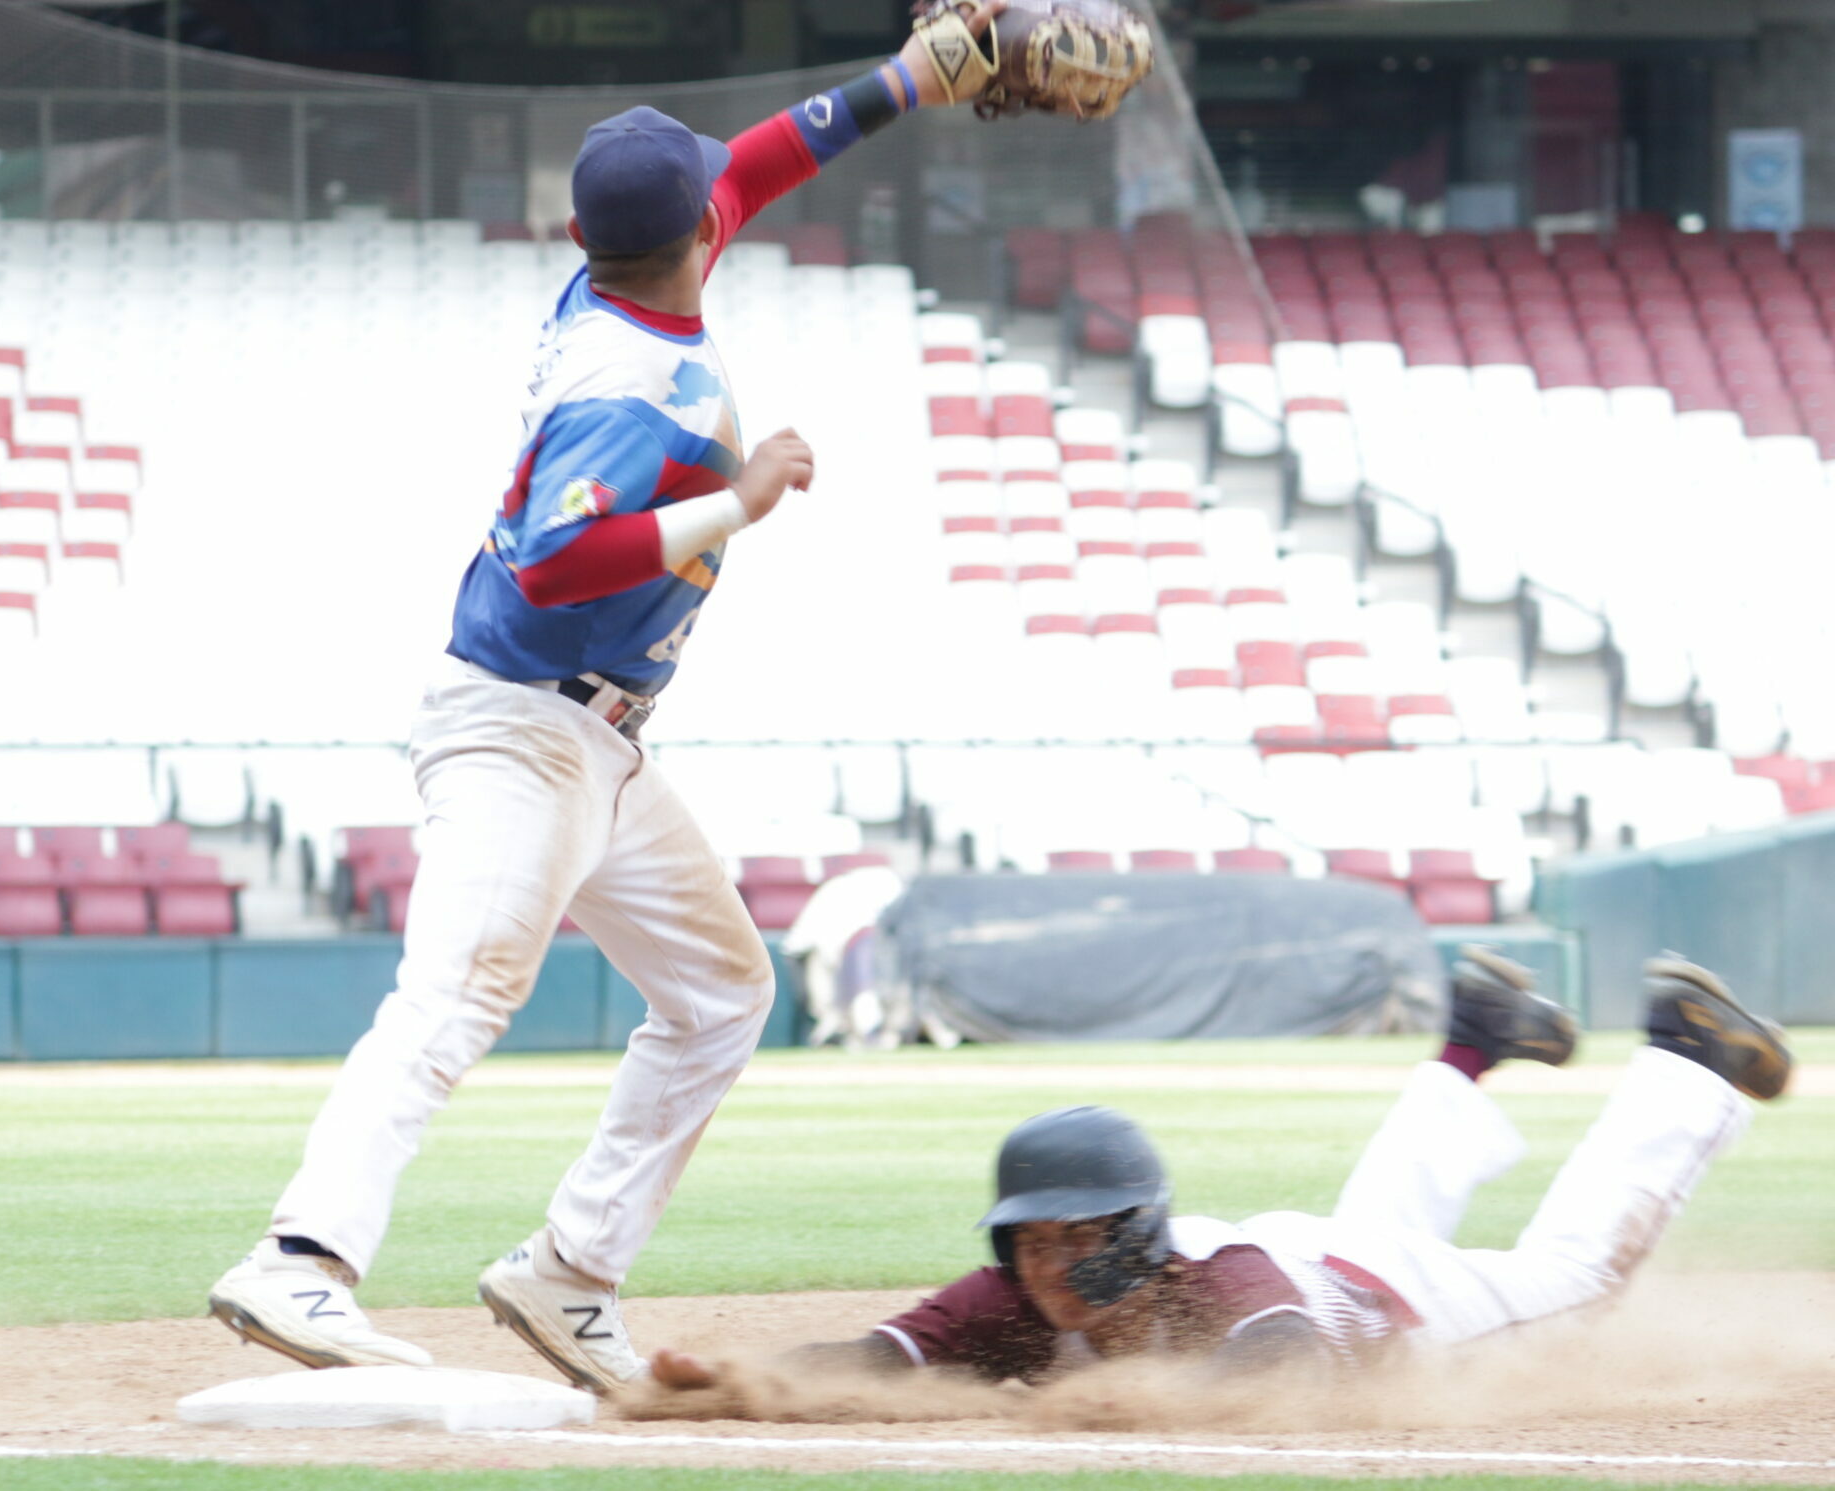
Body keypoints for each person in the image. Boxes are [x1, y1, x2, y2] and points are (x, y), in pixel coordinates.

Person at [206, 8, 1018, 1394]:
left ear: (587, 238)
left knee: (719, 993)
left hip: (600, 741)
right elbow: (553, 557)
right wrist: (736, 503)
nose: (726, 195)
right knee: (456, 994)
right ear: (688, 234)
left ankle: (570, 1267)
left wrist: (909, 80)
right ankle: (300, 1257)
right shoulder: (620, 382)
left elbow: (762, 160)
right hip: (515, 722)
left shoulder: (633, 278)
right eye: (710, 197)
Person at [644, 951, 1793, 1392]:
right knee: (1370, 1217)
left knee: (1576, 1274)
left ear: (1135, 1234)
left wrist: (1111, 1402)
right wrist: (747, 1379)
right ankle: (1474, 1039)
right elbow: (878, 1356)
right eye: (1032, 1239)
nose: (1048, 1263)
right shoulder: (1021, 1296)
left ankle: (1681, 1064)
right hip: (1326, 1256)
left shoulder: (1226, 1286)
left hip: (1404, 1306)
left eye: (1076, 1237)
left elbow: (1282, 1363)